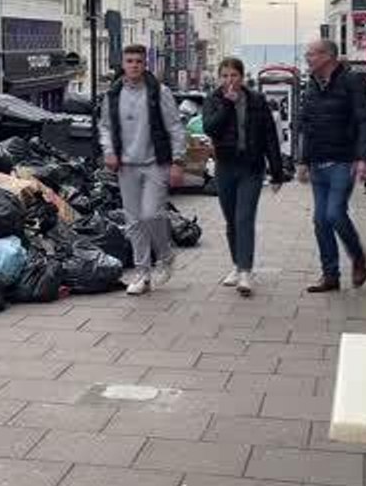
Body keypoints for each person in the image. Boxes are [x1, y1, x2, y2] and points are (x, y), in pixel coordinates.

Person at [99, 44, 187, 296]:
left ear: (144, 64)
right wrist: (109, 151)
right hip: (126, 165)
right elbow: (105, 126)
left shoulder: (160, 92)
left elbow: (175, 127)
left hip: (155, 163)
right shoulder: (113, 94)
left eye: (138, 61)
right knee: (134, 221)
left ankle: (166, 254)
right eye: (129, 61)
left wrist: (178, 161)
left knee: (151, 214)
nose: (134, 65)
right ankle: (142, 273)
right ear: (123, 64)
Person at [202, 57, 287, 297]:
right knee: (231, 220)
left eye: (234, 76)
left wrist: (277, 172)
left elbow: (270, 136)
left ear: (242, 77)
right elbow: (210, 128)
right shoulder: (214, 100)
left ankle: (246, 272)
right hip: (225, 166)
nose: (230, 81)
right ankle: (237, 264)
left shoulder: (256, 100)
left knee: (244, 218)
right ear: (220, 78)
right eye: (225, 76)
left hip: (251, 167)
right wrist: (227, 106)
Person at [296, 40, 366, 293]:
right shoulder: (311, 86)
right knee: (320, 220)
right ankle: (330, 275)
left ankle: (358, 257)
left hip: (344, 161)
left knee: (334, 214)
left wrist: (364, 158)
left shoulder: (352, 82)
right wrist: (302, 161)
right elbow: (307, 126)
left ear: (328, 56)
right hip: (318, 162)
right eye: (306, 54)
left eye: (311, 54)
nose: (307, 58)